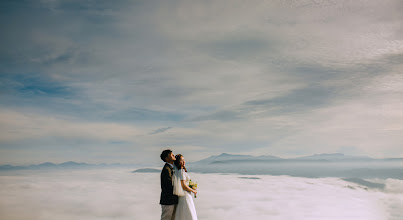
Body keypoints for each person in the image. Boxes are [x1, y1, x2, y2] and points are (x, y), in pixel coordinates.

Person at [173, 154, 198, 220]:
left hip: (182, 196)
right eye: (182, 160)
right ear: (178, 162)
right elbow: (183, 186)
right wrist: (193, 190)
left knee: (183, 214)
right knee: (189, 214)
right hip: (185, 195)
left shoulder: (177, 171)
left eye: (184, 160)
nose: (184, 162)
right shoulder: (181, 171)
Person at [160, 149, 178, 220]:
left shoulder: (172, 168)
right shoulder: (166, 169)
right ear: (166, 158)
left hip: (172, 200)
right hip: (168, 201)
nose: (173, 155)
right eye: (171, 154)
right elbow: (169, 185)